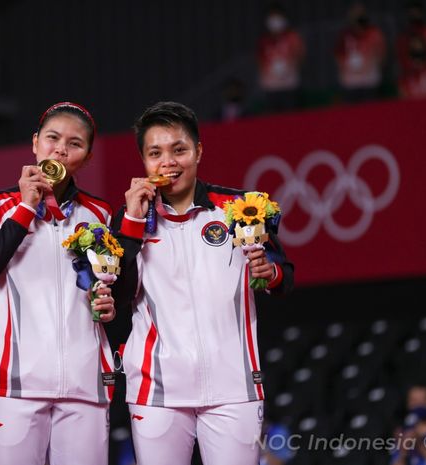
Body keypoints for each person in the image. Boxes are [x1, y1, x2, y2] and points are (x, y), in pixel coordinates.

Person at [112, 101, 294, 465]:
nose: (168, 162)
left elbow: (283, 273)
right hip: (156, 390)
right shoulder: (127, 220)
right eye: (155, 153)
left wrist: (268, 272)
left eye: (179, 149)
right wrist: (132, 221)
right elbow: (117, 295)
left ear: (198, 151)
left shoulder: (239, 207)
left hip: (234, 387)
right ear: (144, 162)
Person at [0, 102, 116, 465]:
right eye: (53, 138)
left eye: (75, 143)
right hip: (15, 385)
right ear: (35, 144)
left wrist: (107, 305)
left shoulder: (100, 214)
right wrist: (26, 207)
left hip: (85, 384)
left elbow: (109, 289)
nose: (61, 149)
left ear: (87, 156)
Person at [256, 2, 305, 112]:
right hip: (271, 87)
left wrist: (289, 68)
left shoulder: (292, 37)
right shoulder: (263, 41)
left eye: (278, 17)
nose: (275, 21)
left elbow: (301, 55)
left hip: (290, 85)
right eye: (272, 18)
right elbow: (259, 61)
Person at [334, 3, 386, 103]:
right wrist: (343, 72)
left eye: (360, 15)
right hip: (350, 83)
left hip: (370, 82)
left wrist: (374, 70)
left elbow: (382, 54)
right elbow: (338, 56)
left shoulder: (374, 33)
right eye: (354, 15)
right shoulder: (344, 35)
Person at [396, 1, 426, 76]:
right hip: (408, 74)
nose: (413, 14)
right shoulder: (404, 35)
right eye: (410, 12)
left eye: (415, 12)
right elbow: (401, 55)